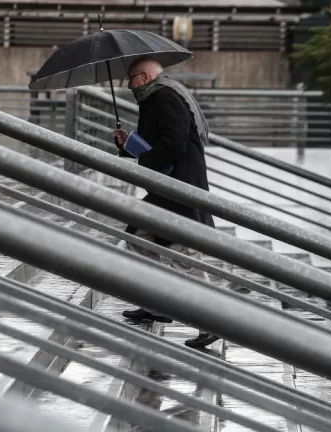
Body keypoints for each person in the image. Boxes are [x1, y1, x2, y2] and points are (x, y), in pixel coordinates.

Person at [112, 56, 219, 349]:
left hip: (179, 187)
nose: (129, 86)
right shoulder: (158, 96)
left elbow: (172, 144)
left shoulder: (165, 96)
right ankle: (155, 305)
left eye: (131, 79)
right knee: (139, 237)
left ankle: (213, 321)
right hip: (171, 185)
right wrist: (128, 144)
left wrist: (143, 157)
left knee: (185, 253)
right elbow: (158, 142)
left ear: (145, 77)